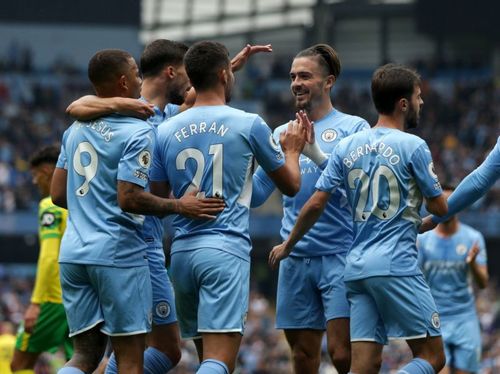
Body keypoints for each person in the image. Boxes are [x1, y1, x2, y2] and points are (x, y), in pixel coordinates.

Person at [65, 39, 272, 374]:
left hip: (101, 245)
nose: (191, 83)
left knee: (154, 348)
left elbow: (201, 95)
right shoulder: (133, 115)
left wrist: (226, 70)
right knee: (140, 349)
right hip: (133, 244)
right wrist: (179, 206)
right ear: (172, 72)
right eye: (188, 75)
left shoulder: (170, 116)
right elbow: (76, 106)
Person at [269, 63, 449, 374]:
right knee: (433, 358)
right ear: (403, 103)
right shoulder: (414, 146)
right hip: (395, 265)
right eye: (419, 97)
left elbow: (316, 203)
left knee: (359, 365)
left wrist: (289, 243)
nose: (422, 103)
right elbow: (440, 208)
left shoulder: (349, 144)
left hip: (354, 268)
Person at [150, 40, 306, 374]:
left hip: (180, 256)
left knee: (207, 357)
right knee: (220, 362)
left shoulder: (165, 130)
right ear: (224, 74)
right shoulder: (247, 123)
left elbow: (158, 198)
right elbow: (291, 185)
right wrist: (291, 150)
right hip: (224, 251)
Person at [251, 44, 369, 374]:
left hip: (340, 255)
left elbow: (355, 188)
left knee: (343, 355)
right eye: (292, 77)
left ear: (328, 81)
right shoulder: (281, 133)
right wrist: (228, 182)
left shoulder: (354, 128)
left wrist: (315, 151)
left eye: (305, 76)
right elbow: (259, 193)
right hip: (294, 258)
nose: (296, 83)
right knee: (303, 357)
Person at [11, 146, 73, 374]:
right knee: (81, 361)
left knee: (19, 363)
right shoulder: (77, 201)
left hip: (52, 299)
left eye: (36, 175)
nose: (35, 182)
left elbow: (49, 256)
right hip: (78, 296)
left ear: (48, 170)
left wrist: (35, 303)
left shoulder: (50, 206)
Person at [418, 187, 488, 374]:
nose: (445, 208)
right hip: (435, 318)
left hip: (465, 318)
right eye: (442, 203)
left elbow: (483, 283)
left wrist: (472, 264)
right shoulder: (424, 239)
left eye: (451, 203)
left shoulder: (473, 238)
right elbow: (416, 279)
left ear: (459, 205)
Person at [420, 136, 500, 232]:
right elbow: (478, 182)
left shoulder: (472, 237)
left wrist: (433, 220)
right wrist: (433, 220)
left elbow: (478, 182)